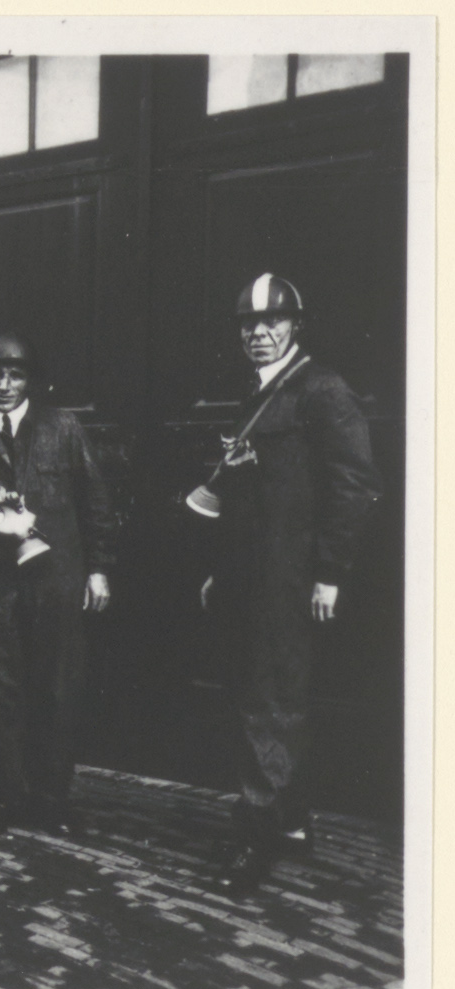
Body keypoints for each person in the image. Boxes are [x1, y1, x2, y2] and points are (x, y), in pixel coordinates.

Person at [199, 274, 380, 894]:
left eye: (272, 321)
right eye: (248, 324)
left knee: (270, 700)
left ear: (295, 325)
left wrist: (330, 573)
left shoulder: (321, 391)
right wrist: (222, 570)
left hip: (291, 577)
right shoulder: (257, 392)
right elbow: (246, 495)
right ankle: (293, 824)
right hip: (251, 575)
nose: (259, 333)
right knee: (267, 694)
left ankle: (257, 838)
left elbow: (353, 487)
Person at [0, 334, 116, 841]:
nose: (4, 385)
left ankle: (51, 801)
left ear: (30, 380)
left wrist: (98, 568)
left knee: (56, 691)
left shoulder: (63, 429)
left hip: (54, 583)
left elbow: (95, 502)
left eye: (15, 375)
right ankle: (1, 799)